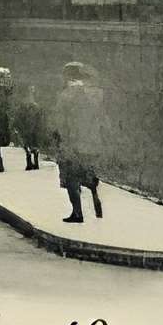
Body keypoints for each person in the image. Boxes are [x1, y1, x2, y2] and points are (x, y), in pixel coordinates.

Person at [51, 62, 105, 223]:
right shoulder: (97, 95)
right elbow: (101, 119)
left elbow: (60, 122)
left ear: (68, 76)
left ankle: (77, 213)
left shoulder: (66, 96)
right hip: (92, 144)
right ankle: (95, 195)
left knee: (71, 180)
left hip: (72, 144)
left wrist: (60, 140)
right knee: (86, 173)